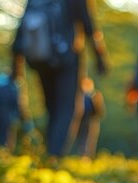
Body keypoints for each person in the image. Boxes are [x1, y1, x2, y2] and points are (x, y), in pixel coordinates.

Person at [11, 0, 109, 157]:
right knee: (67, 109)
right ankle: (54, 155)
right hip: (67, 59)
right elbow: (88, 24)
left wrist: (16, 64)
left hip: (41, 59)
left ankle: (50, 152)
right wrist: (100, 57)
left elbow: (22, 28)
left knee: (52, 108)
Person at [71, 77, 105, 157]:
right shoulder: (78, 96)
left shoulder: (96, 96)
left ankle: (88, 156)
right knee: (82, 138)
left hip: (91, 121)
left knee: (90, 138)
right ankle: (83, 155)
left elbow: (100, 110)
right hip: (81, 120)